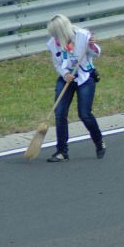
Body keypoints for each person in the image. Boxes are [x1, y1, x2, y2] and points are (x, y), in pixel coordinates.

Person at [45, 14, 106, 162]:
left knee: (84, 114)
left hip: (85, 77)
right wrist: (65, 74)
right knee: (60, 113)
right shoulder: (52, 44)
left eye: (56, 34)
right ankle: (61, 151)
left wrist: (91, 45)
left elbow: (96, 54)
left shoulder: (83, 36)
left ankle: (99, 142)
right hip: (67, 78)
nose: (54, 37)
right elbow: (57, 64)